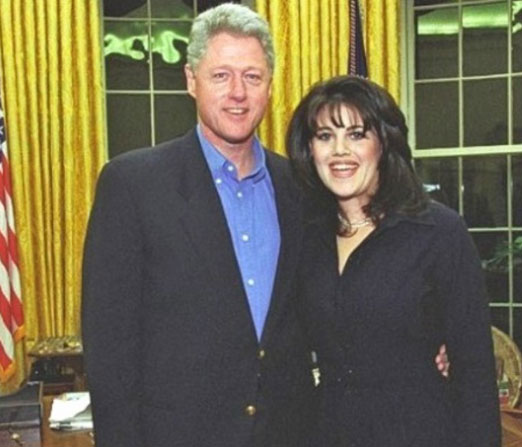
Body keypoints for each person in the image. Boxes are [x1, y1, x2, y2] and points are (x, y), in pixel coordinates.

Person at [81, 4, 315, 447]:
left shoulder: (299, 187)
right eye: (221, 75)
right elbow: (109, 348)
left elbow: (328, 301)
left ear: (270, 85)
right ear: (191, 80)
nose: (238, 93)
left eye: (252, 76)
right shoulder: (132, 185)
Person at [287, 75, 501, 447]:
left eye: (357, 134)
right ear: (309, 149)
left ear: (384, 143)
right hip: (327, 431)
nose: (339, 151)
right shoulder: (303, 236)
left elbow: (475, 371)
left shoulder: (438, 231)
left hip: (418, 432)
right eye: (324, 136)